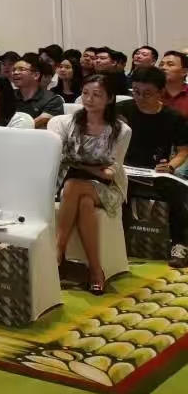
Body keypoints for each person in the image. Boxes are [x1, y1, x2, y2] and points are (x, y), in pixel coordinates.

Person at [51, 74, 131, 294]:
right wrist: (94, 168)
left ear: (110, 98)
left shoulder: (120, 130)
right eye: (85, 93)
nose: (89, 99)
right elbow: (56, 158)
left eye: (97, 95)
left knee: (75, 186)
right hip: (68, 182)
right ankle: (96, 269)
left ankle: (58, 250)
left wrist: (83, 166)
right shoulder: (67, 123)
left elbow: (110, 173)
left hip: (107, 187)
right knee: (83, 201)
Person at [119, 66, 188, 267]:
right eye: (136, 92)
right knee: (119, 192)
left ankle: (180, 244)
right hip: (124, 167)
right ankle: (120, 242)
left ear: (160, 92)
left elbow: (183, 151)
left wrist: (171, 166)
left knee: (177, 193)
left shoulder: (173, 117)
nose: (140, 98)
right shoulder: (122, 110)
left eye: (147, 93)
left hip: (157, 170)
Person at [11, 55, 65, 128]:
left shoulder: (52, 100)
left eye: (21, 69)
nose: (15, 72)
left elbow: (35, 125)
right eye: (13, 70)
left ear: (36, 75)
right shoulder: (8, 96)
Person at [161, 50, 188, 118]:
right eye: (161, 64)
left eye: (170, 64)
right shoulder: (153, 93)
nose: (163, 67)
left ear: (184, 72)